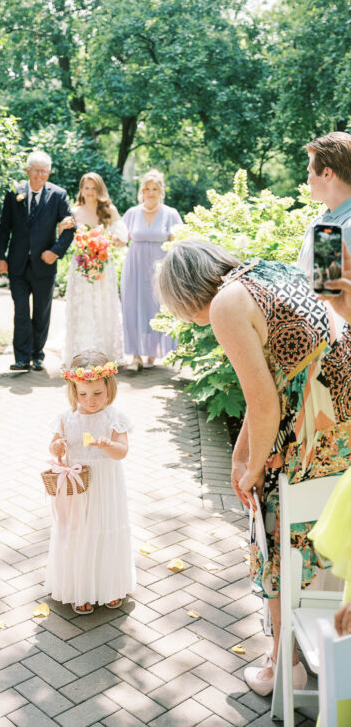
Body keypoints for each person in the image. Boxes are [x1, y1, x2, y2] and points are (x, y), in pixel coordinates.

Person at [155, 238, 351, 696]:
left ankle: (286, 661)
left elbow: (265, 406)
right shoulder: (269, 270)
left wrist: (252, 472)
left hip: (315, 428)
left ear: (185, 293)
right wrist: (243, 456)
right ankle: (310, 644)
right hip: (340, 417)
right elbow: (271, 388)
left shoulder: (225, 305)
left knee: (271, 526)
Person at [47, 351, 135, 614]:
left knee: (106, 528)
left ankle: (109, 587)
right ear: (74, 391)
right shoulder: (66, 418)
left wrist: (110, 445)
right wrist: (57, 446)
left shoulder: (114, 418)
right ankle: (81, 588)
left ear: (109, 387)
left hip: (106, 485)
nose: (91, 401)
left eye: (97, 393)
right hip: (79, 487)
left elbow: (122, 452)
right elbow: (55, 450)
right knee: (80, 533)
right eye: (83, 394)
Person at [0, 150, 75, 371]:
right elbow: (4, 228)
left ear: (49, 173)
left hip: (44, 264)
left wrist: (55, 251)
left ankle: (37, 354)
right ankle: (21, 358)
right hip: (17, 264)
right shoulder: (14, 193)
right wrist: (0, 257)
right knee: (20, 310)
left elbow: (70, 227)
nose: (40, 175)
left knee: (41, 311)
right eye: (36, 170)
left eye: (44, 171)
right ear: (27, 170)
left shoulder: (58, 195)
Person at [60, 172, 128, 365]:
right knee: (82, 306)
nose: (90, 192)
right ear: (81, 190)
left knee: (103, 306)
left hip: (103, 267)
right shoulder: (74, 212)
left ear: (100, 189)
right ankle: (80, 353)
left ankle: (104, 353)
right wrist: (62, 228)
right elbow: (67, 240)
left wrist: (108, 241)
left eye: (93, 188)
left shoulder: (109, 210)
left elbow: (122, 239)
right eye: (86, 188)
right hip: (81, 267)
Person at [121, 169, 182, 368]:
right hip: (134, 267)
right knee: (133, 307)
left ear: (160, 191)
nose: (150, 192)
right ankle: (136, 355)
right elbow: (120, 239)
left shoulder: (170, 214)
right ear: (142, 191)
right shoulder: (132, 213)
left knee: (156, 308)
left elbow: (178, 241)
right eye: (147, 188)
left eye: (155, 188)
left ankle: (153, 353)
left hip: (160, 268)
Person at [296, 132, 351, 278]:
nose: (308, 180)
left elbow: (326, 294)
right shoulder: (319, 223)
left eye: (310, 172)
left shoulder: (346, 228)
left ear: (327, 173)